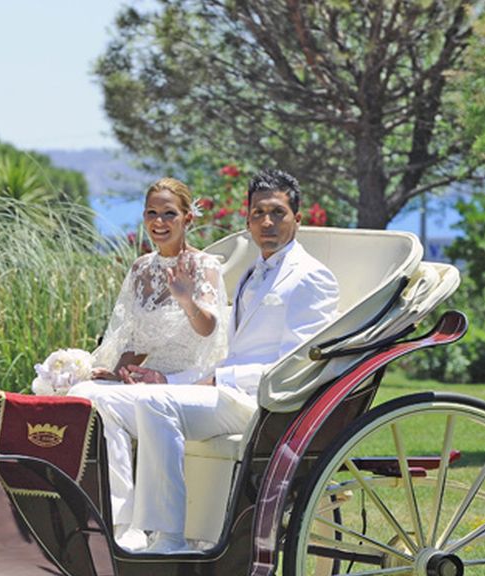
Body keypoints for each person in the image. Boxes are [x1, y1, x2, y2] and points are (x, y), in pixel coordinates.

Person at [96, 169, 340, 554]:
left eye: (277, 213)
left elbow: (298, 367)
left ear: (298, 218)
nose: (267, 222)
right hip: (225, 393)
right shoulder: (249, 275)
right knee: (104, 401)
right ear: (247, 220)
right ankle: (123, 525)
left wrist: (204, 383)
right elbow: (229, 352)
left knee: (155, 403)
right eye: (258, 213)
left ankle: (169, 538)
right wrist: (166, 377)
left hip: (264, 403)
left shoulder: (312, 278)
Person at [67, 177, 227, 552]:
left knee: (101, 401)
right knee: (86, 393)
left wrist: (187, 300)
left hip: (188, 383)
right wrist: (117, 370)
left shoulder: (205, 265)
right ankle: (120, 521)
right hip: (146, 382)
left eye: (169, 213)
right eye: (152, 213)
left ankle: (138, 526)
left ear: (188, 218)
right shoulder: (141, 269)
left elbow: (209, 330)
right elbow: (135, 339)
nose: (159, 222)